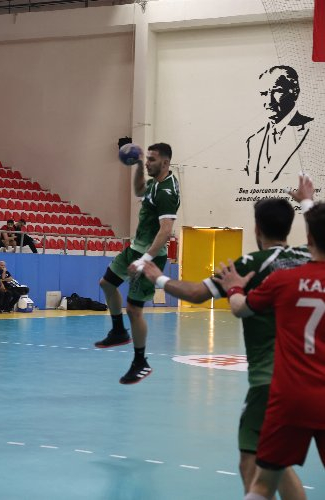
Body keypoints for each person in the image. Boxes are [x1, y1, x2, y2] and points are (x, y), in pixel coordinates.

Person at [141, 189, 311, 498]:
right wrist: (308, 202)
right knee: (277, 462)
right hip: (309, 377)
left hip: (270, 379)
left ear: (257, 228)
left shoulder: (250, 264)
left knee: (251, 463)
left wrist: (158, 278)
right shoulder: (309, 259)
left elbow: (196, 293)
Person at [212, 202, 325, 500]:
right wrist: (308, 202)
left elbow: (240, 308)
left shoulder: (284, 280)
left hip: (292, 395)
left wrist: (234, 287)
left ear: (309, 239)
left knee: (263, 483)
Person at [95, 142, 180, 384]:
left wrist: (144, 261)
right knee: (106, 284)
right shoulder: (155, 183)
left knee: (134, 309)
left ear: (165, 162)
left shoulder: (167, 192)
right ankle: (118, 331)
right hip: (135, 248)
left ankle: (141, 362)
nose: (148, 163)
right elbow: (139, 190)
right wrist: (138, 166)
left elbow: (165, 231)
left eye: (152, 160)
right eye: (147, 158)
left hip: (151, 256)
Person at [245, 66, 314, 185]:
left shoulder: (315, 131)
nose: (269, 101)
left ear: (295, 92)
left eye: (277, 91)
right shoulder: (253, 141)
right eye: (264, 93)